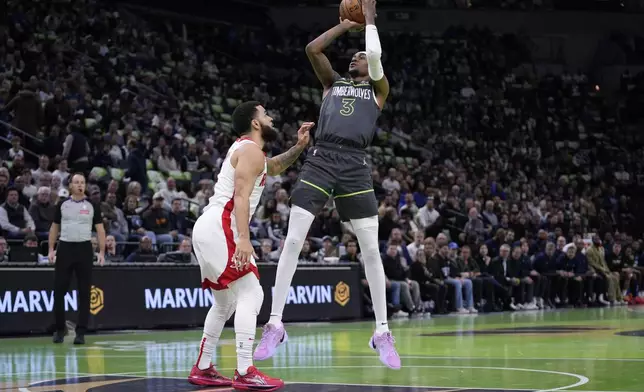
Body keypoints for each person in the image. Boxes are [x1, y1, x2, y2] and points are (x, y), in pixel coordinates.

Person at [254, 0, 400, 370]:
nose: (356, 57)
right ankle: (274, 324)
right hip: (321, 158)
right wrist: (344, 26)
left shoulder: (379, 88)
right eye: (354, 55)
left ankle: (382, 332)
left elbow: (377, 55)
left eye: (361, 56)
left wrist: (368, 20)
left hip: (354, 165)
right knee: (292, 240)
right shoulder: (332, 84)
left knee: (370, 250)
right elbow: (312, 49)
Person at [188, 100, 313, 390]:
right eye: (265, 115)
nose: (270, 117)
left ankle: (203, 367)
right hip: (223, 226)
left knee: (225, 302)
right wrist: (244, 238)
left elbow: (275, 166)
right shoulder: (250, 150)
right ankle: (245, 370)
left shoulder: (247, 151)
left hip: (208, 227)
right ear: (255, 123)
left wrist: (299, 146)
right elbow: (241, 197)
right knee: (251, 294)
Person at [48, 173, 105, 345]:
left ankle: (81, 332)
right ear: (70, 186)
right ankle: (60, 329)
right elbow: (54, 227)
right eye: (76, 182)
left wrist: (102, 252)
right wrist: (51, 249)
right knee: (59, 291)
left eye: (82, 182)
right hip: (65, 248)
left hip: (84, 249)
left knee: (85, 292)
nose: (80, 185)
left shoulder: (92, 205)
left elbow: (100, 230)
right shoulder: (62, 205)